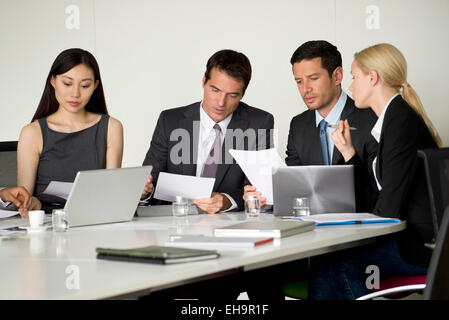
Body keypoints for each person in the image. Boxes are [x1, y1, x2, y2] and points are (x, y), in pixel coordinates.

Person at [309, 43, 441, 299]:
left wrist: (348, 228)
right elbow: (377, 193)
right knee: (330, 259)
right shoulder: (395, 119)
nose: (350, 86)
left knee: (334, 261)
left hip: (417, 246)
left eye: (354, 77)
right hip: (410, 240)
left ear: (372, 78)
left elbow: (388, 209)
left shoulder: (400, 122)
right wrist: (348, 152)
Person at [244, 40, 378, 213]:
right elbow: (294, 185)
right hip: (313, 229)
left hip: (363, 227)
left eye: (313, 78)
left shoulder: (371, 119)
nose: (305, 89)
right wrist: (267, 199)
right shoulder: (299, 125)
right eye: (299, 81)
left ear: (337, 76)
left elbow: (378, 190)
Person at [141, 49, 274, 214]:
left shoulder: (259, 123)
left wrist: (226, 200)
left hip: (225, 225)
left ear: (243, 94)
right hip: (173, 220)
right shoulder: (170, 121)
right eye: (215, 90)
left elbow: (257, 190)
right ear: (204, 81)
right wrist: (142, 193)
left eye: (232, 95)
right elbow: (148, 180)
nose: (221, 102)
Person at [17, 48, 123, 213]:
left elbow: (111, 194)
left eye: (85, 85)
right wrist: (31, 203)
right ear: (53, 81)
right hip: (48, 224)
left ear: (95, 86)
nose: (75, 93)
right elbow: (24, 198)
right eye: (67, 83)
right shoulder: (32, 133)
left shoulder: (111, 127)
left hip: (94, 222)